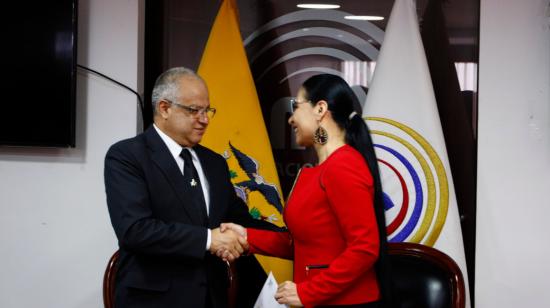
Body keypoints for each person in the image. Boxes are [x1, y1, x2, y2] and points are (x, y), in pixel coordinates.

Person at [104, 67, 279, 308]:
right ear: (164, 108)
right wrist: (209, 240)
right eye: (194, 110)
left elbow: (238, 219)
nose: (205, 119)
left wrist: (293, 236)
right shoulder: (127, 156)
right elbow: (136, 231)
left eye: (207, 110)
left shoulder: (215, 162)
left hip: (214, 297)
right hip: (154, 300)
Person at [221, 74, 391, 307]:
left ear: (320, 109)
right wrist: (246, 237)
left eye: (296, 106)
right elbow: (301, 242)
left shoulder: (344, 165)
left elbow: (365, 248)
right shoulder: (317, 170)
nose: (291, 119)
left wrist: (309, 292)